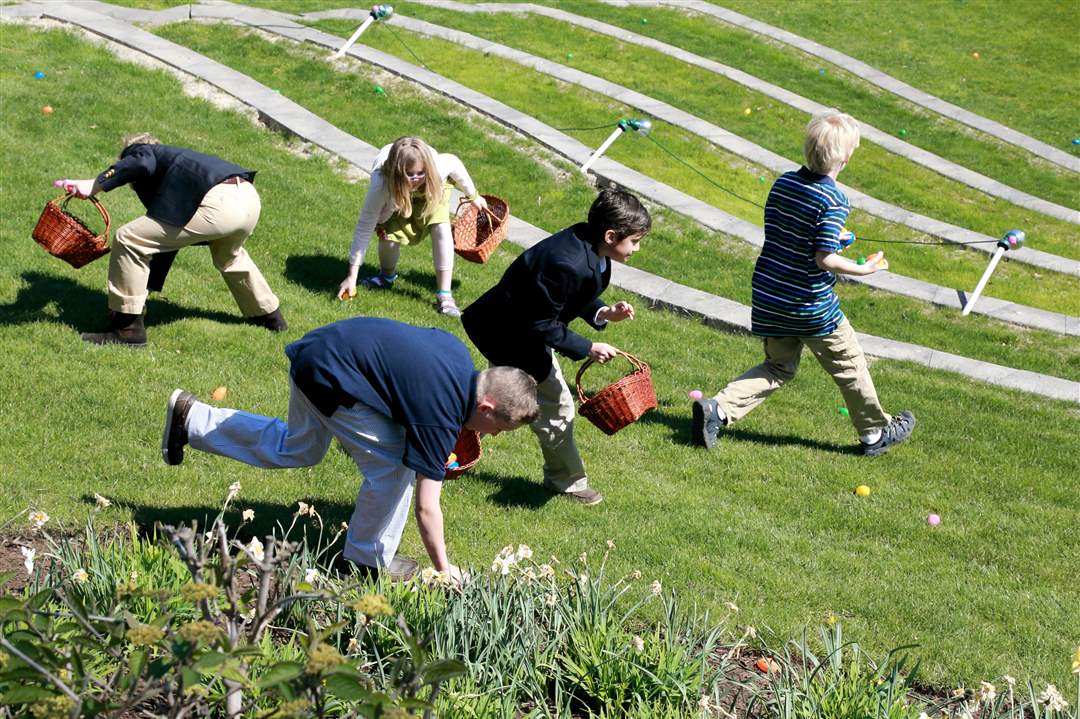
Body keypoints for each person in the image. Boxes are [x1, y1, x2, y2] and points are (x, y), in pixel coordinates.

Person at [161, 316, 539, 581]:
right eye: (500, 427)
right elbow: (427, 508)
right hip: (328, 375)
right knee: (396, 467)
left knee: (298, 448)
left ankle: (191, 419)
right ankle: (364, 561)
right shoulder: (439, 417)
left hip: (320, 350)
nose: (495, 435)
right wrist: (444, 569)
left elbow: (404, 377)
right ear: (486, 407)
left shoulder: (458, 356)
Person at [691, 111, 915, 456]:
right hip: (810, 306)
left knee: (778, 367)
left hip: (770, 296)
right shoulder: (835, 200)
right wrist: (865, 270)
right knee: (850, 365)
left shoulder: (784, 183)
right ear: (846, 158)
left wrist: (835, 239)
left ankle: (717, 410)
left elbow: (791, 232)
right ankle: (874, 433)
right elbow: (824, 259)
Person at [461, 188, 651, 506]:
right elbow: (540, 322)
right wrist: (588, 347)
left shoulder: (590, 245)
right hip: (509, 333)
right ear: (610, 235)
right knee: (556, 406)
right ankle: (566, 481)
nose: (637, 248)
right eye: (634, 241)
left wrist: (604, 312)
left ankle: (450, 435)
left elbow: (573, 294)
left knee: (496, 397)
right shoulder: (566, 262)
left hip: (518, 329)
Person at [57, 133, 286, 347]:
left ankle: (127, 330)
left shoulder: (143, 151)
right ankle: (269, 316)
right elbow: (164, 244)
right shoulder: (177, 169)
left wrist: (94, 185)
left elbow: (140, 162)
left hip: (220, 203)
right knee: (230, 258)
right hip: (248, 199)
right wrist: (144, 288)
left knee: (128, 239)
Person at [337, 136, 486, 318]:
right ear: (397, 172)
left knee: (441, 228)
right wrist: (351, 277)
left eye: (420, 173)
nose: (416, 179)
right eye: (410, 174)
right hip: (397, 194)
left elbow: (454, 163)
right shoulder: (381, 183)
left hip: (431, 190)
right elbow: (364, 227)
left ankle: (445, 295)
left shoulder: (436, 170)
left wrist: (473, 195)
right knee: (389, 239)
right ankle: (386, 276)